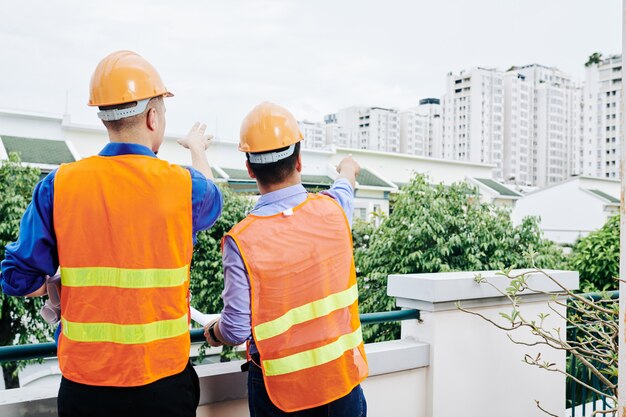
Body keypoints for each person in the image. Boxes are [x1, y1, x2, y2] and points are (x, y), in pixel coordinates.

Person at [0, 50, 223, 417]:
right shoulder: (185, 187)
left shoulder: (59, 185)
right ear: (153, 117)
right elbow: (211, 199)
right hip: (164, 384)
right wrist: (198, 150)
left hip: (87, 389)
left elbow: (16, 279)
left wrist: (57, 280)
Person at [204, 102, 368, 416]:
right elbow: (346, 184)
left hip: (282, 396)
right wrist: (348, 167)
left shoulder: (242, 240)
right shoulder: (334, 210)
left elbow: (237, 330)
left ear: (250, 169)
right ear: (300, 161)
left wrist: (213, 332)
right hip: (342, 384)